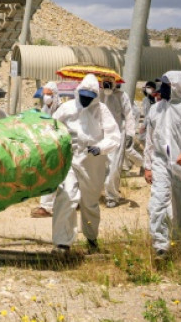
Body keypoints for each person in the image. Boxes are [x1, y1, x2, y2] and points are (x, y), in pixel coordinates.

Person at [51, 74, 121, 255]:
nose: (84, 100)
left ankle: (91, 238)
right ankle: (62, 243)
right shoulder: (66, 108)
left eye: (89, 98)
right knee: (66, 197)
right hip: (70, 160)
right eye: (82, 96)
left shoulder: (102, 110)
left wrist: (101, 147)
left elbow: (114, 136)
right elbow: (52, 129)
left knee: (89, 203)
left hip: (92, 163)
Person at [144, 71, 181, 258]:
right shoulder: (155, 109)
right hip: (161, 161)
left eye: (166, 85)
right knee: (158, 201)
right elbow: (150, 139)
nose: (162, 89)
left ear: (176, 86)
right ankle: (160, 244)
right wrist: (147, 165)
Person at [101, 80, 138, 208]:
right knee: (101, 167)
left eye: (108, 83)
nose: (106, 85)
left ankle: (111, 196)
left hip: (117, 135)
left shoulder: (122, 96)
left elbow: (128, 115)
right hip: (101, 136)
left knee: (114, 167)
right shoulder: (99, 95)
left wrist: (130, 134)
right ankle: (102, 192)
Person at [31, 81, 60, 218]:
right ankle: (47, 206)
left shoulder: (61, 110)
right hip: (49, 148)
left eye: (49, 94)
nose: (46, 97)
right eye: (44, 94)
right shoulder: (44, 110)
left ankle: (47, 207)